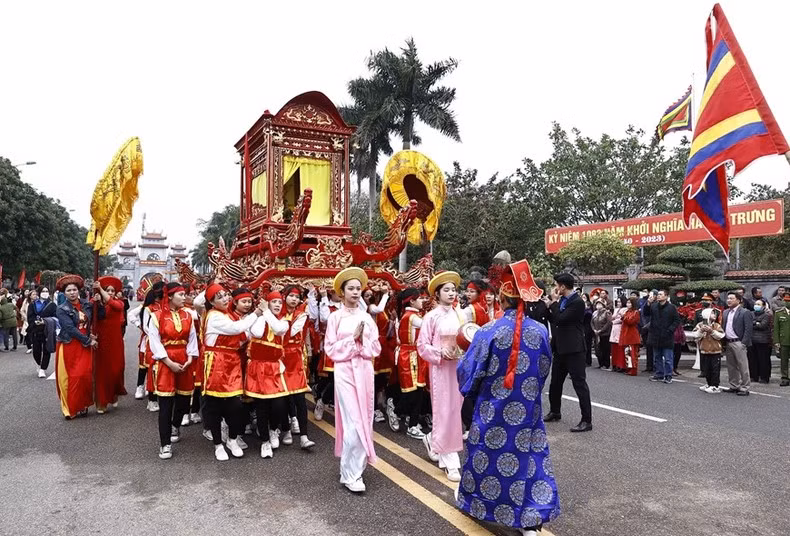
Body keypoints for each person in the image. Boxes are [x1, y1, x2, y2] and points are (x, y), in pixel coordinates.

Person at [456, 260, 560, 536]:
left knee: (486, 457)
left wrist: (473, 388)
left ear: (501, 298)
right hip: (528, 410)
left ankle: (480, 506)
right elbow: (544, 369)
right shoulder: (540, 331)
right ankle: (531, 520)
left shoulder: (488, 331)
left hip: (492, 408)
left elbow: (468, 373)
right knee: (530, 461)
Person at [324, 267, 381, 493]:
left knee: (364, 420)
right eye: (351, 288)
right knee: (353, 423)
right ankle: (351, 474)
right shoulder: (335, 317)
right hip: (345, 371)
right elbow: (330, 349)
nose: (356, 292)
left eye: (358, 288)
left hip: (364, 370)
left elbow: (375, 347)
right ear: (342, 291)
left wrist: (361, 344)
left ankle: (352, 470)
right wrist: (352, 341)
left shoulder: (366, 317)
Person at [202, 283, 266, 461]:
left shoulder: (227, 315)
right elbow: (236, 329)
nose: (225, 299)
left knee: (236, 405)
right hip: (216, 362)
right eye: (219, 297)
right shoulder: (214, 316)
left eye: (225, 295)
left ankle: (232, 439)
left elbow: (242, 336)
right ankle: (218, 445)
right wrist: (257, 313)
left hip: (232, 362)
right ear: (212, 302)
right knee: (214, 405)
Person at [417, 271, 465, 482]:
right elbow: (422, 345)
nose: (451, 293)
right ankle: (450, 461)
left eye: (453, 290)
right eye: (446, 290)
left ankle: (432, 438)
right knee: (444, 411)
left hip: (458, 367)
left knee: (454, 410)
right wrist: (439, 353)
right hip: (440, 369)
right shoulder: (431, 317)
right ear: (437, 294)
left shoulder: (460, 315)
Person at [146, 282, 199, 459]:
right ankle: (165, 443)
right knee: (166, 404)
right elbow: (154, 342)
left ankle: (175, 425)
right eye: (181, 295)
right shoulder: (156, 316)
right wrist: (168, 362)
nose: (185, 297)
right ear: (169, 296)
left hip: (184, 359)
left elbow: (192, 338)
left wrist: (190, 357)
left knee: (184, 401)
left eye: (185, 294)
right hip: (165, 361)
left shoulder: (188, 315)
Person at [544, 273, 593, 433]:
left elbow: (561, 319)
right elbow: (554, 320)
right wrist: (549, 306)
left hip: (574, 349)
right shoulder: (562, 300)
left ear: (563, 286)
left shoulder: (577, 302)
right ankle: (555, 411)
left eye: (557, 285)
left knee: (579, 384)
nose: (555, 288)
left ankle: (586, 420)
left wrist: (553, 303)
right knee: (555, 383)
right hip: (560, 348)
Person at [245, 290, 290, 458]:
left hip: (274, 368)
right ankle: (265, 442)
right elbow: (257, 333)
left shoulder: (284, 321)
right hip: (258, 367)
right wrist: (263, 314)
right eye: (274, 302)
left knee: (279, 405)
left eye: (280, 302)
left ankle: (273, 430)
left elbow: (278, 330)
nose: (278, 305)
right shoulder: (260, 319)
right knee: (262, 406)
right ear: (267, 303)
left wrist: (266, 312)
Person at [54, 275, 98, 419]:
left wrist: (99, 301)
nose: (72, 293)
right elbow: (70, 328)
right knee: (72, 376)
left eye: (74, 290)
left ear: (78, 291)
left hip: (85, 344)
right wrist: (88, 340)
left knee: (85, 376)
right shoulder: (61, 309)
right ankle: (70, 408)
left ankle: (83, 404)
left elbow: (98, 317)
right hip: (70, 344)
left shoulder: (87, 304)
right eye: (69, 291)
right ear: (64, 293)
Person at [280, 285, 316, 450]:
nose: (294, 299)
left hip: (295, 358)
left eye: (297, 297)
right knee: (284, 397)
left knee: (299, 398)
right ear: (284, 296)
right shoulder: (278, 312)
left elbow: (291, 332)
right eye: (291, 296)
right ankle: (286, 430)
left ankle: (304, 436)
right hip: (280, 357)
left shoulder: (301, 315)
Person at [395, 288, 428, 439]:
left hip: (413, 355)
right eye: (419, 298)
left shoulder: (410, 315)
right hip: (410, 356)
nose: (422, 301)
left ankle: (408, 419)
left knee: (416, 391)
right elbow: (430, 326)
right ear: (412, 301)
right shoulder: (412, 317)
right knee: (414, 392)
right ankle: (407, 420)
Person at [93, 277, 127, 413]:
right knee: (101, 372)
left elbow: (114, 304)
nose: (111, 292)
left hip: (115, 341)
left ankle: (113, 393)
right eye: (108, 290)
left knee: (116, 370)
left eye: (113, 290)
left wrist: (100, 289)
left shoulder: (119, 303)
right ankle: (102, 401)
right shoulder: (96, 303)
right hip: (100, 340)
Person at [642, 290, 681, 384]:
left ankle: (668, 375)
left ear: (666, 296)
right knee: (657, 357)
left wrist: (670, 330)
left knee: (668, 358)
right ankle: (659, 374)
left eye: (660, 294)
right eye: (658, 294)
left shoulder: (671, 307)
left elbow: (677, 320)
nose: (658, 296)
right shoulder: (654, 306)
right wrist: (648, 303)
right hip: (655, 335)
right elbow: (646, 313)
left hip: (667, 336)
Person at [721, 292, 753, 396]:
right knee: (731, 366)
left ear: (739, 300)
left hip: (738, 342)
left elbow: (748, 329)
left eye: (732, 298)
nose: (729, 300)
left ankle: (745, 387)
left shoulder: (745, 312)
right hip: (728, 341)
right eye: (728, 298)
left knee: (743, 366)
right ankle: (734, 385)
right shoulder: (725, 312)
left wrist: (743, 343)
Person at [693, 308, 725, 393]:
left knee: (715, 369)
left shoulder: (717, 325)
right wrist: (701, 331)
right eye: (712, 313)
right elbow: (695, 335)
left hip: (715, 351)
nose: (714, 315)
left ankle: (715, 385)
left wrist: (712, 332)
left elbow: (721, 335)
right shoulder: (700, 325)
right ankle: (709, 383)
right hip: (704, 350)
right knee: (706, 369)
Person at [27, 287, 57, 377]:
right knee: (36, 350)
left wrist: (46, 321)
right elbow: (30, 317)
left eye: (47, 291)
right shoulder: (33, 304)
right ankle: (38, 364)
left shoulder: (52, 305)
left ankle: (43, 369)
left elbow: (56, 317)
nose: (45, 293)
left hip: (48, 329)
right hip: (36, 330)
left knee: (47, 349)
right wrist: (34, 322)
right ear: (39, 293)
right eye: (43, 291)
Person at [749, 299, 772, 384]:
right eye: (755, 304)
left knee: (763, 360)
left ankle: (764, 377)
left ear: (763, 306)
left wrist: (754, 323)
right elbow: (748, 324)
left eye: (759, 304)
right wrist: (756, 323)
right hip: (752, 340)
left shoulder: (766, 315)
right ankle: (754, 376)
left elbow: (763, 325)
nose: (756, 306)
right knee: (753, 359)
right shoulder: (751, 313)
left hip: (763, 341)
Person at [620, 298, 642, 376]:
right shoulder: (627, 312)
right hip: (626, 334)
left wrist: (623, 317)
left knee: (632, 353)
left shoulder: (636, 312)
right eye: (627, 303)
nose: (628, 304)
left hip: (632, 335)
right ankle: (628, 368)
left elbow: (631, 321)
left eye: (629, 303)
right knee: (627, 353)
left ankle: (633, 370)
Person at [773, 295, 790, 387]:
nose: (787, 303)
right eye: (786, 301)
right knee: (784, 360)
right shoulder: (779, 313)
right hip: (784, 340)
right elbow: (776, 328)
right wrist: (776, 341)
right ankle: (785, 377)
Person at [581, 293, 594, 367]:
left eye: (585, 297)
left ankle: (588, 361)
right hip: (582, 327)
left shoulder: (589, 308)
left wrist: (586, 309)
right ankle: (584, 360)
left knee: (587, 344)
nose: (583, 299)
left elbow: (589, 316)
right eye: (582, 297)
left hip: (588, 327)